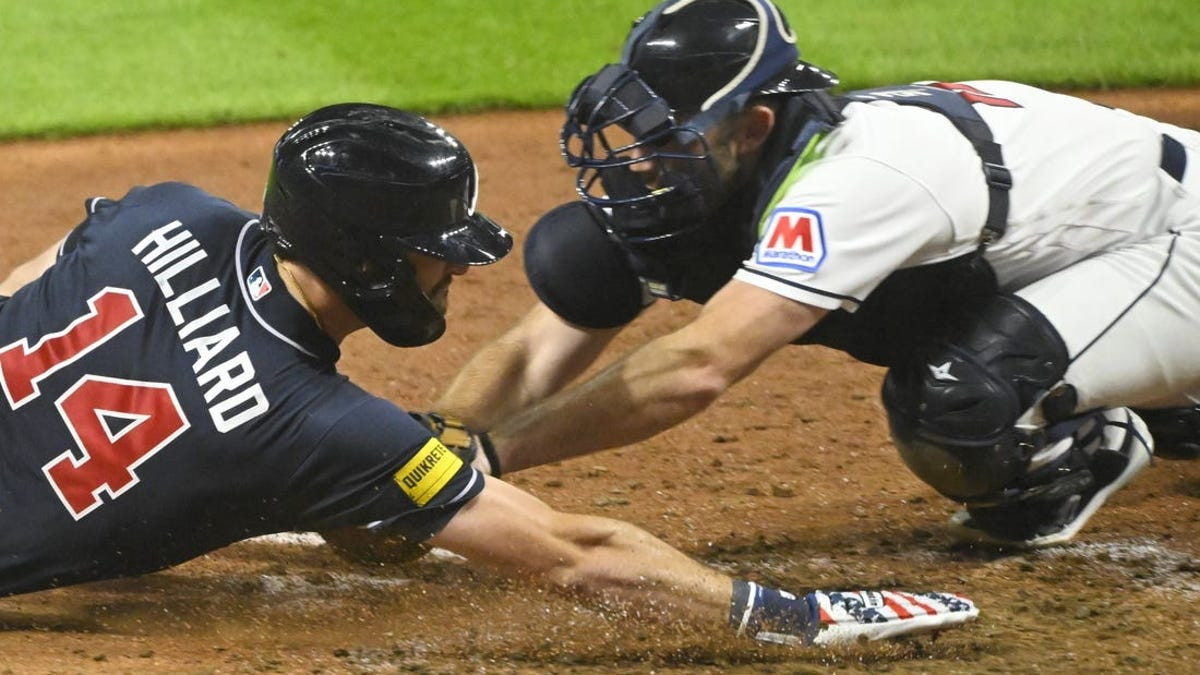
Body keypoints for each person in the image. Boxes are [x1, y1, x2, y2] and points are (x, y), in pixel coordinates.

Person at [0, 102, 977, 646]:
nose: (461, 267)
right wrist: (787, 616)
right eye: (438, 247)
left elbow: (23, 290)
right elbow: (576, 554)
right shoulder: (321, 429)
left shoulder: (173, 211)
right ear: (370, 254)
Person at [432, 0, 1200, 549]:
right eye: (638, 132)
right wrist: (436, 444)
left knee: (953, 403)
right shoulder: (740, 168)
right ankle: (1163, 390)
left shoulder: (857, 180)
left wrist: (492, 461)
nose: (641, 159)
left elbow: (701, 363)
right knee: (588, 257)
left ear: (754, 124)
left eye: (668, 137)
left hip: (1182, 238)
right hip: (1096, 250)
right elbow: (540, 348)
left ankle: (1088, 443)